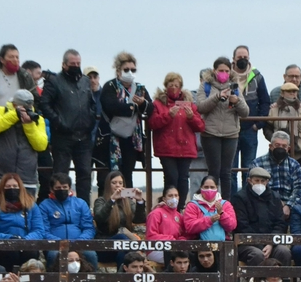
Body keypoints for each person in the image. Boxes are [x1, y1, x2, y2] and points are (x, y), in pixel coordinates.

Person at [38, 49, 95, 202]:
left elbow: (92, 102)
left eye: (78, 63)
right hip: (62, 136)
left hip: (84, 136)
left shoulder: (85, 81)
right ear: (64, 65)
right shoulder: (54, 81)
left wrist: (91, 119)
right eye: (72, 64)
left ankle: (83, 207)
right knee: (60, 175)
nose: (76, 66)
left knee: (84, 173)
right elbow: (44, 103)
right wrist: (57, 122)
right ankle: (57, 206)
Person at [150, 72, 205, 210]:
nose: (173, 88)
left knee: (183, 178)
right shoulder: (158, 103)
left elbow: (201, 126)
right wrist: (168, 115)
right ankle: (167, 207)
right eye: (170, 85)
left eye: (176, 85)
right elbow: (152, 123)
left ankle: (180, 208)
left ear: (181, 87)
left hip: (185, 148)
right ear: (165, 86)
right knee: (171, 177)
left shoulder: (189, 104)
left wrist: (191, 117)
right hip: (166, 148)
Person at [98, 52, 153, 186]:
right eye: (126, 70)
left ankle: (128, 203)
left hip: (132, 138)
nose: (130, 72)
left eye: (133, 70)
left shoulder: (140, 88)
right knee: (111, 174)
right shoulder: (110, 86)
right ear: (118, 70)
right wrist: (133, 108)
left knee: (128, 172)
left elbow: (150, 108)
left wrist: (142, 104)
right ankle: (110, 203)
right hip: (112, 136)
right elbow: (110, 105)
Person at [197, 57, 250, 198]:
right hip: (210, 133)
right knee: (213, 171)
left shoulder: (235, 86)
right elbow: (200, 107)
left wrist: (236, 101)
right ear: (214, 70)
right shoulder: (206, 86)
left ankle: (226, 204)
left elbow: (245, 112)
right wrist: (216, 97)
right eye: (221, 70)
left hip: (230, 134)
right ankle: (210, 202)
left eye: (227, 71)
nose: (224, 73)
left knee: (227, 172)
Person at [0, 89, 47, 195]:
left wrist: (28, 125)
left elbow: (41, 145)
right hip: (0, 175)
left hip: (27, 176)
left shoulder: (37, 119)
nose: (27, 110)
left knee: (27, 210)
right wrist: (14, 115)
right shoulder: (1, 111)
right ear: (14, 104)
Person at [231, 167, 291, 266]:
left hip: (272, 242)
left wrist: (271, 244)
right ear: (249, 181)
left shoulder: (275, 197)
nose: (260, 183)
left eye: (263, 181)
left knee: (284, 252)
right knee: (257, 254)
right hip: (247, 243)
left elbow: (280, 223)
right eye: (256, 180)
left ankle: (282, 281)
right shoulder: (239, 198)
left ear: (267, 182)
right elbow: (242, 225)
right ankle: (257, 281)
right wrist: (259, 244)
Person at [0, 173, 45, 271]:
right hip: (5, 245)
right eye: (8, 186)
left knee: (30, 253)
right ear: (2, 188)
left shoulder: (31, 206)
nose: (12, 189)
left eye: (15, 186)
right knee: (9, 253)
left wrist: (25, 240)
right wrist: (10, 238)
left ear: (20, 188)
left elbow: (39, 230)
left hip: (27, 244)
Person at [39, 172, 97, 269]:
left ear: (70, 188)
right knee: (53, 256)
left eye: (64, 187)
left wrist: (78, 242)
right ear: (51, 189)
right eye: (58, 188)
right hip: (55, 245)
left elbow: (89, 228)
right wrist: (60, 243)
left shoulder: (80, 203)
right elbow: (44, 230)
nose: (62, 190)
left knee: (91, 255)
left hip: (80, 244)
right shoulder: (44, 205)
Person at [93, 171, 146, 268]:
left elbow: (139, 220)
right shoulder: (101, 201)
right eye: (114, 183)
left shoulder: (128, 202)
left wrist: (139, 202)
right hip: (104, 247)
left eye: (120, 183)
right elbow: (100, 219)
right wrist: (112, 200)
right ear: (108, 185)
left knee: (124, 253)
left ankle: (122, 281)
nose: (118, 185)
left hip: (124, 247)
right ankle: (137, 257)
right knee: (122, 238)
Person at [232, 45, 270, 173]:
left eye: (245, 57)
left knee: (249, 168)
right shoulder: (227, 76)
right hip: (230, 129)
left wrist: (258, 124)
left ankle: (246, 193)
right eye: (239, 57)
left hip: (250, 129)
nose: (242, 59)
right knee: (231, 169)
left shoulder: (257, 77)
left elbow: (265, 101)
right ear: (233, 59)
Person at [252, 131, 301, 217]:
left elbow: (300, 188)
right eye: (277, 145)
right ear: (270, 146)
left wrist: (288, 205)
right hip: (264, 205)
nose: (280, 148)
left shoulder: (294, 165)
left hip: (290, 206)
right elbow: (252, 187)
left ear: (288, 148)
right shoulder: (257, 163)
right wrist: (275, 203)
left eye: (284, 146)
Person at [264, 82, 301, 160]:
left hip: (300, 150)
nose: (292, 93)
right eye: (289, 91)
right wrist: (273, 138)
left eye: (294, 91)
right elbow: (267, 127)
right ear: (282, 93)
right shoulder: (274, 110)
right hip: (279, 150)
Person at [183, 174, 237, 241]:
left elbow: (232, 226)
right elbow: (189, 227)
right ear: (201, 188)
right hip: (199, 244)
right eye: (206, 187)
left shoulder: (225, 204)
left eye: (212, 187)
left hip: (223, 244)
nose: (209, 190)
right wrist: (209, 220)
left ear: (216, 188)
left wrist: (222, 214)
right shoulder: (192, 205)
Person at [146, 186, 186, 264]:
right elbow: (151, 236)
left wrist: (181, 241)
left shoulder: (179, 216)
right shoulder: (156, 213)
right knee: (178, 257)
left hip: (175, 247)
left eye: (176, 195)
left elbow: (182, 235)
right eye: (170, 196)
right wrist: (172, 239)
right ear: (164, 199)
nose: (174, 198)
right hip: (156, 249)